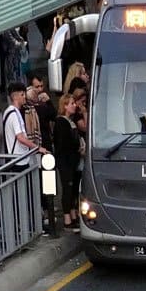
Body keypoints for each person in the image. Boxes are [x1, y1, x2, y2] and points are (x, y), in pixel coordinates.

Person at [52, 94, 85, 232]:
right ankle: (67, 218)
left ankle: (73, 215)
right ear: (65, 105)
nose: (74, 105)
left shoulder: (70, 121)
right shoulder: (61, 122)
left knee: (73, 189)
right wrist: (77, 146)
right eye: (71, 103)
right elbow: (63, 143)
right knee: (67, 188)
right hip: (66, 161)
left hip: (74, 160)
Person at [1, 84, 44, 168]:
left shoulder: (10, 112)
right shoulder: (14, 114)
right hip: (18, 159)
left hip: (18, 157)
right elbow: (20, 137)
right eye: (22, 94)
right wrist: (37, 148)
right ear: (14, 97)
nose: (24, 97)